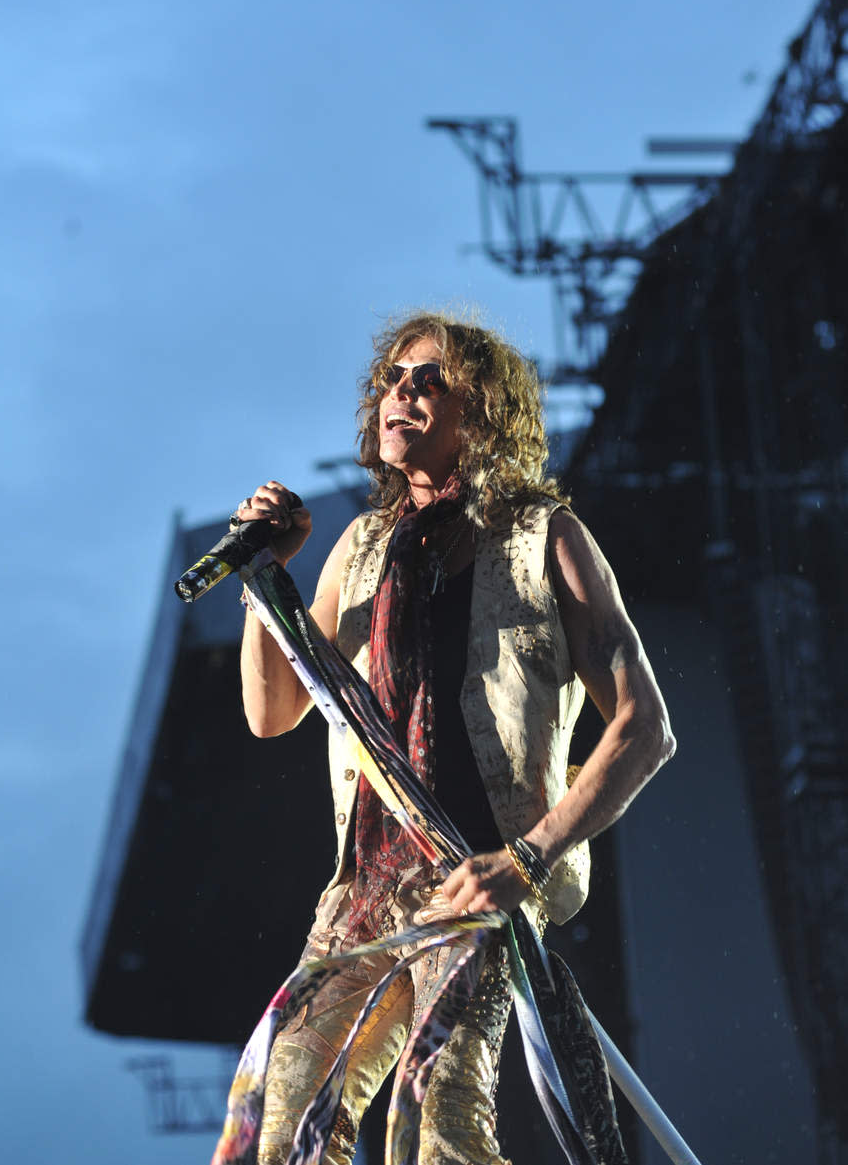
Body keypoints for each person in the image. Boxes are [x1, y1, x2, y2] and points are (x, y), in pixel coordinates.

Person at [234, 312, 675, 1165]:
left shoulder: (545, 539)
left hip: (473, 879)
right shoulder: (361, 549)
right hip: (363, 889)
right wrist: (265, 580)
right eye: (394, 378)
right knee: (281, 1125)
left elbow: (645, 726)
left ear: (485, 413)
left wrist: (528, 859)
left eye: (429, 378)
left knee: (438, 1124)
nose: (401, 392)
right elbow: (272, 709)